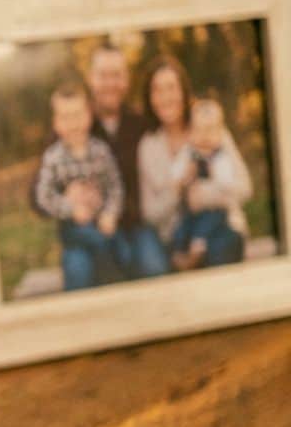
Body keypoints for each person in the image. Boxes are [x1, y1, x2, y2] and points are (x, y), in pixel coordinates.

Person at [137, 56, 248, 269]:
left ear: (183, 91)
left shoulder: (210, 128)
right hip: (177, 236)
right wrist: (177, 190)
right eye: (157, 90)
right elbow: (150, 213)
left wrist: (206, 195)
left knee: (222, 247)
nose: (165, 97)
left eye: (171, 87)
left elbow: (244, 187)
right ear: (150, 98)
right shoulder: (148, 146)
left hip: (221, 227)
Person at [85, 44, 169, 279]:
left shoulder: (141, 123)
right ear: (91, 78)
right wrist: (71, 195)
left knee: (155, 271)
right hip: (94, 228)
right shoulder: (77, 125)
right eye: (103, 75)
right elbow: (37, 192)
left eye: (117, 75)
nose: (110, 83)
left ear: (126, 79)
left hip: (138, 226)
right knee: (95, 274)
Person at [33, 81, 125, 291]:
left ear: (89, 115)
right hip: (74, 232)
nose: (73, 123)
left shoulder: (101, 151)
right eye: (65, 117)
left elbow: (115, 186)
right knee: (78, 270)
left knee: (119, 257)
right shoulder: (53, 157)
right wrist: (70, 208)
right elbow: (43, 196)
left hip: (104, 225)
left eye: (77, 115)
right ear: (56, 123)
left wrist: (110, 213)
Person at [167, 99, 252, 270]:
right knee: (182, 226)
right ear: (191, 132)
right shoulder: (188, 152)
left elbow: (237, 187)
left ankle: (198, 246)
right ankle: (181, 251)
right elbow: (175, 175)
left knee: (214, 220)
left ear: (220, 133)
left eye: (210, 130)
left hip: (217, 212)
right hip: (189, 213)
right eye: (199, 130)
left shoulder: (221, 155)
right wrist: (183, 180)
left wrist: (208, 189)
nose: (204, 136)